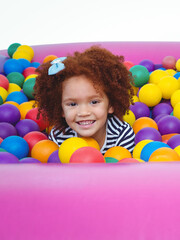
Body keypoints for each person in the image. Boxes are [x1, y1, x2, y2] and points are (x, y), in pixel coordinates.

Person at [34, 45, 135, 154]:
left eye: (94, 102)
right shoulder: (59, 136)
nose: (83, 112)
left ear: (111, 105)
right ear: (61, 109)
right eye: (72, 104)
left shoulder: (122, 134)